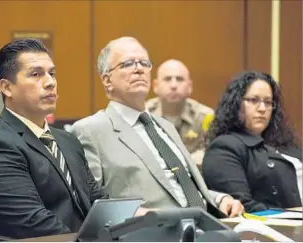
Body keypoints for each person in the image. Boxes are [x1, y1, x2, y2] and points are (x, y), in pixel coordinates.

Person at [70, 36, 244, 218]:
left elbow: (181, 191)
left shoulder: (164, 126)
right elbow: (90, 204)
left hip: (206, 224)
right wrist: (136, 214)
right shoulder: (90, 130)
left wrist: (220, 200)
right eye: (128, 64)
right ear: (107, 80)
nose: (139, 69)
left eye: (144, 63)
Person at [0, 39, 108, 239]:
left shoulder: (67, 140)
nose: (50, 82)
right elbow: (33, 224)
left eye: (52, 73)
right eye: (36, 74)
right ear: (7, 88)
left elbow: (97, 202)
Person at [202, 71, 302, 213]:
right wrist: (293, 215)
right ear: (236, 104)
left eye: (268, 102)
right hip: (276, 229)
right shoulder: (224, 148)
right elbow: (243, 206)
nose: (262, 109)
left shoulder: (285, 144)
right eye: (254, 100)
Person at [146, 59, 214, 166]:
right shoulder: (143, 115)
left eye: (180, 79)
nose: (173, 85)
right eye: (167, 79)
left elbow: (214, 153)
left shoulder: (206, 117)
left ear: (190, 87)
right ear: (155, 86)